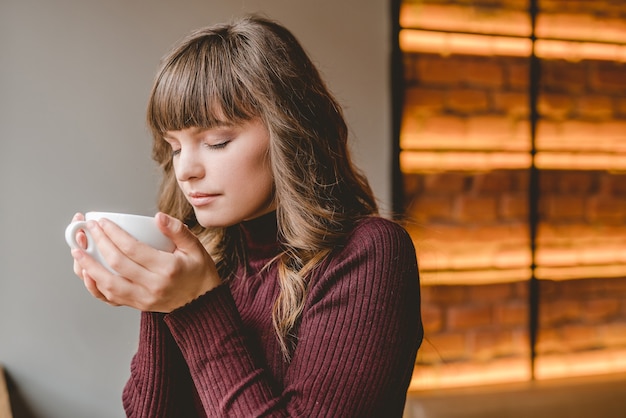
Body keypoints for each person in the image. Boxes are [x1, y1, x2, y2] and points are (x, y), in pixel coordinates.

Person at [70, 14, 423, 417]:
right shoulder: (208, 260)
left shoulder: (367, 255)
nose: (186, 169)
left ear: (288, 131)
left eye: (217, 142)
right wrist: (158, 295)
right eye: (175, 146)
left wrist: (194, 305)